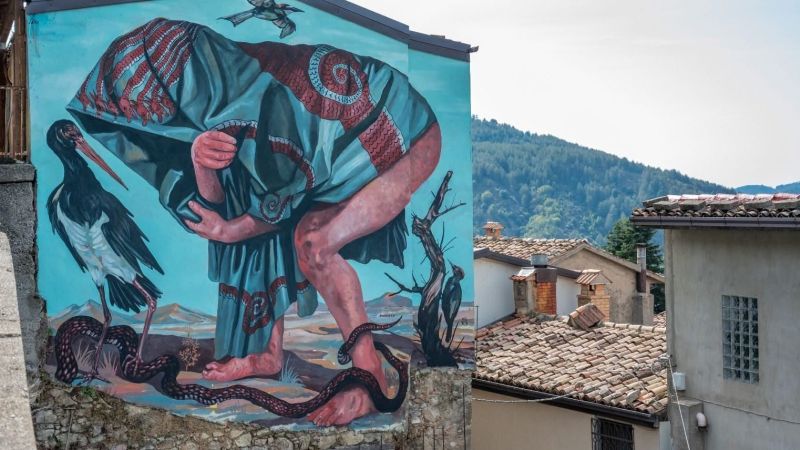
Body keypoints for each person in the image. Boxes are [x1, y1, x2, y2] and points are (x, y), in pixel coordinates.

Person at [67, 17, 441, 426]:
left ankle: (369, 379)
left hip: (401, 138)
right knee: (271, 222)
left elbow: (269, 204)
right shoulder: (220, 103)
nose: (153, 115)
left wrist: (230, 229)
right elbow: (229, 201)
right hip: (327, 156)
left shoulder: (262, 105)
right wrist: (198, 159)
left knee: (313, 243)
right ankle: (268, 355)